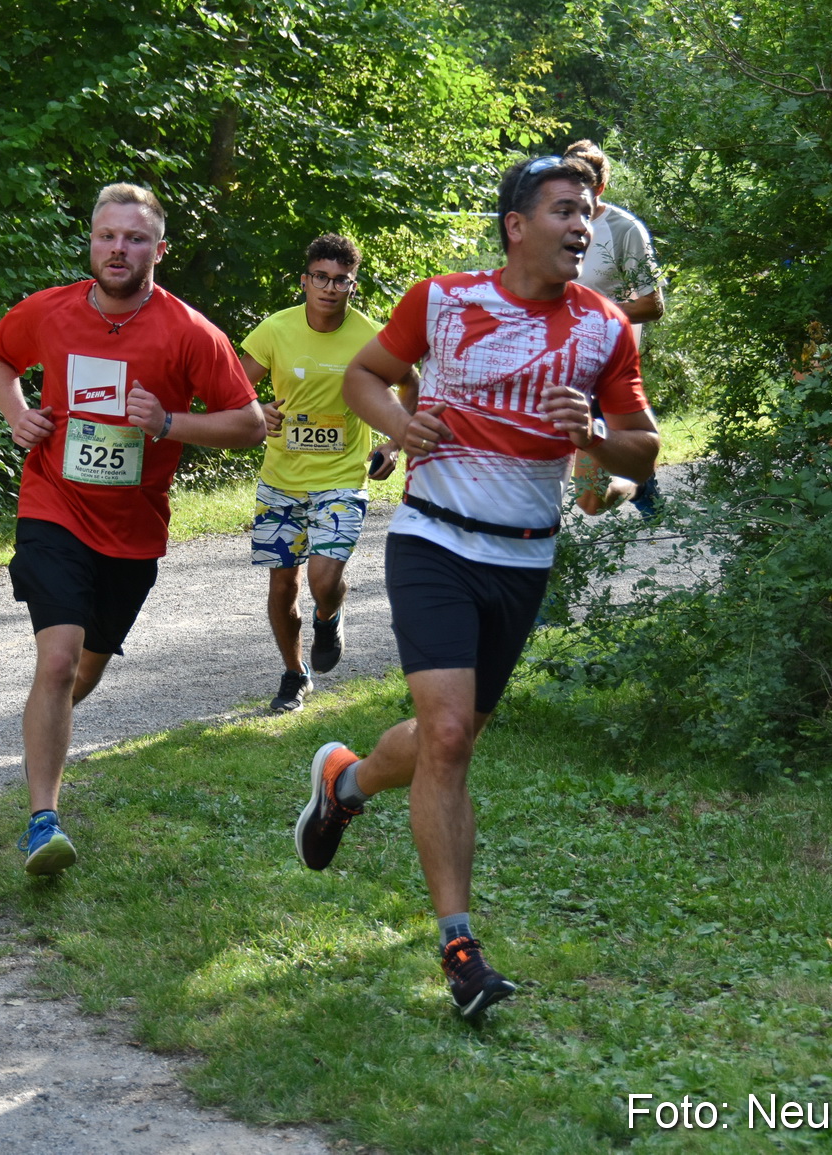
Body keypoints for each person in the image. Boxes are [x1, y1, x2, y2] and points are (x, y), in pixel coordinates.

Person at [293, 155, 660, 1016]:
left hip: (524, 555)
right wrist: (399, 422)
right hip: (434, 539)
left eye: (591, 212)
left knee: (447, 737)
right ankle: (460, 949)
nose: (584, 225)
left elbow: (644, 447)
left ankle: (343, 784)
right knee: (450, 734)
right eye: (567, 209)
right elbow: (364, 376)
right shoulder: (445, 300)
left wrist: (599, 438)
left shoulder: (606, 325)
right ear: (516, 224)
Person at [0, 182, 264, 875]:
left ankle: (41, 729)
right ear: (91, 242)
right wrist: (16, 414)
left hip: (133, 531)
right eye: (108, 235)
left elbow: (249, 423)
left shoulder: (190, 332)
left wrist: (169, 423)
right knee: (56, 657)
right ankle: (42, 820)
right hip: (52, 504)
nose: (119, 248)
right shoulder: (48, 312)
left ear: (158, 250)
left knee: (80, 670)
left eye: (135, 238)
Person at [239, 234, 409, 713]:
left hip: (342, 476)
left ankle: (328, 615)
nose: (330, 288)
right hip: (281, 480)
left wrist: (394, 444)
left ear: (352, 286)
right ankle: (295, 674)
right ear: (305, 281)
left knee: (323, 577)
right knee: (281, 584)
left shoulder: (372, 337)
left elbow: (411, 386)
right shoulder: (275, 330)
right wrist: (257, 411)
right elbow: (229, 385)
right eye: (321, 278)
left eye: (340, 280)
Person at [562, 139, 666, 518]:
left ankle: (637, 481)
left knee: (590, 502)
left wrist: (590, 315)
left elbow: (652, 305)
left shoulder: (624, 230)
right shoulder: (550, 223)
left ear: (600, 187)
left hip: (605, 369)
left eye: (583, 185)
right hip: (557, 366)